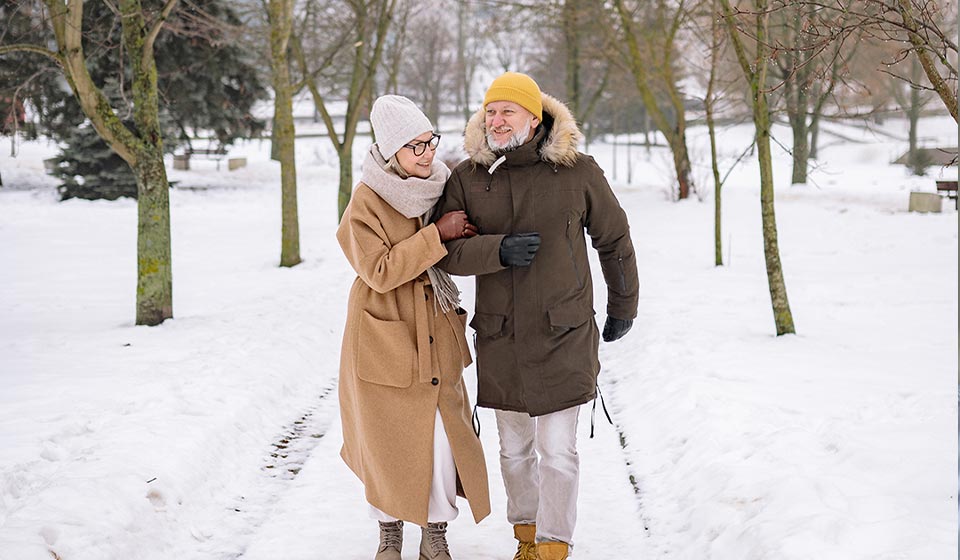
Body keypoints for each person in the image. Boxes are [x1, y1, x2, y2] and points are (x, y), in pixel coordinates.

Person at [433, 72, 640, 560]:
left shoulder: (578, 171)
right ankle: (525, 534)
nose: (497, 119)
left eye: (508, 111)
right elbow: (445, 254)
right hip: (501, 336)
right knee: (513, 451)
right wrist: (497, 249)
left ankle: (554, 544)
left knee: (558, 450)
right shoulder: (468, 178)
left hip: (562, 332)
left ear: (535, 116)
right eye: (491, 110)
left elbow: (614, 240)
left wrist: (623, 305)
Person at [337, 94, 490, 560]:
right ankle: (389, 530)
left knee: (444, 436)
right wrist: (436, 235)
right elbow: (379, 270)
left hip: (435, 326)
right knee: (386, 439)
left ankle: (436, 529)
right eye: (414, 147)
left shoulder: (441, 186)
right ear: (389, 152)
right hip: (384, 329)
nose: (426, 154)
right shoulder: (365, 201)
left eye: (429, 142)